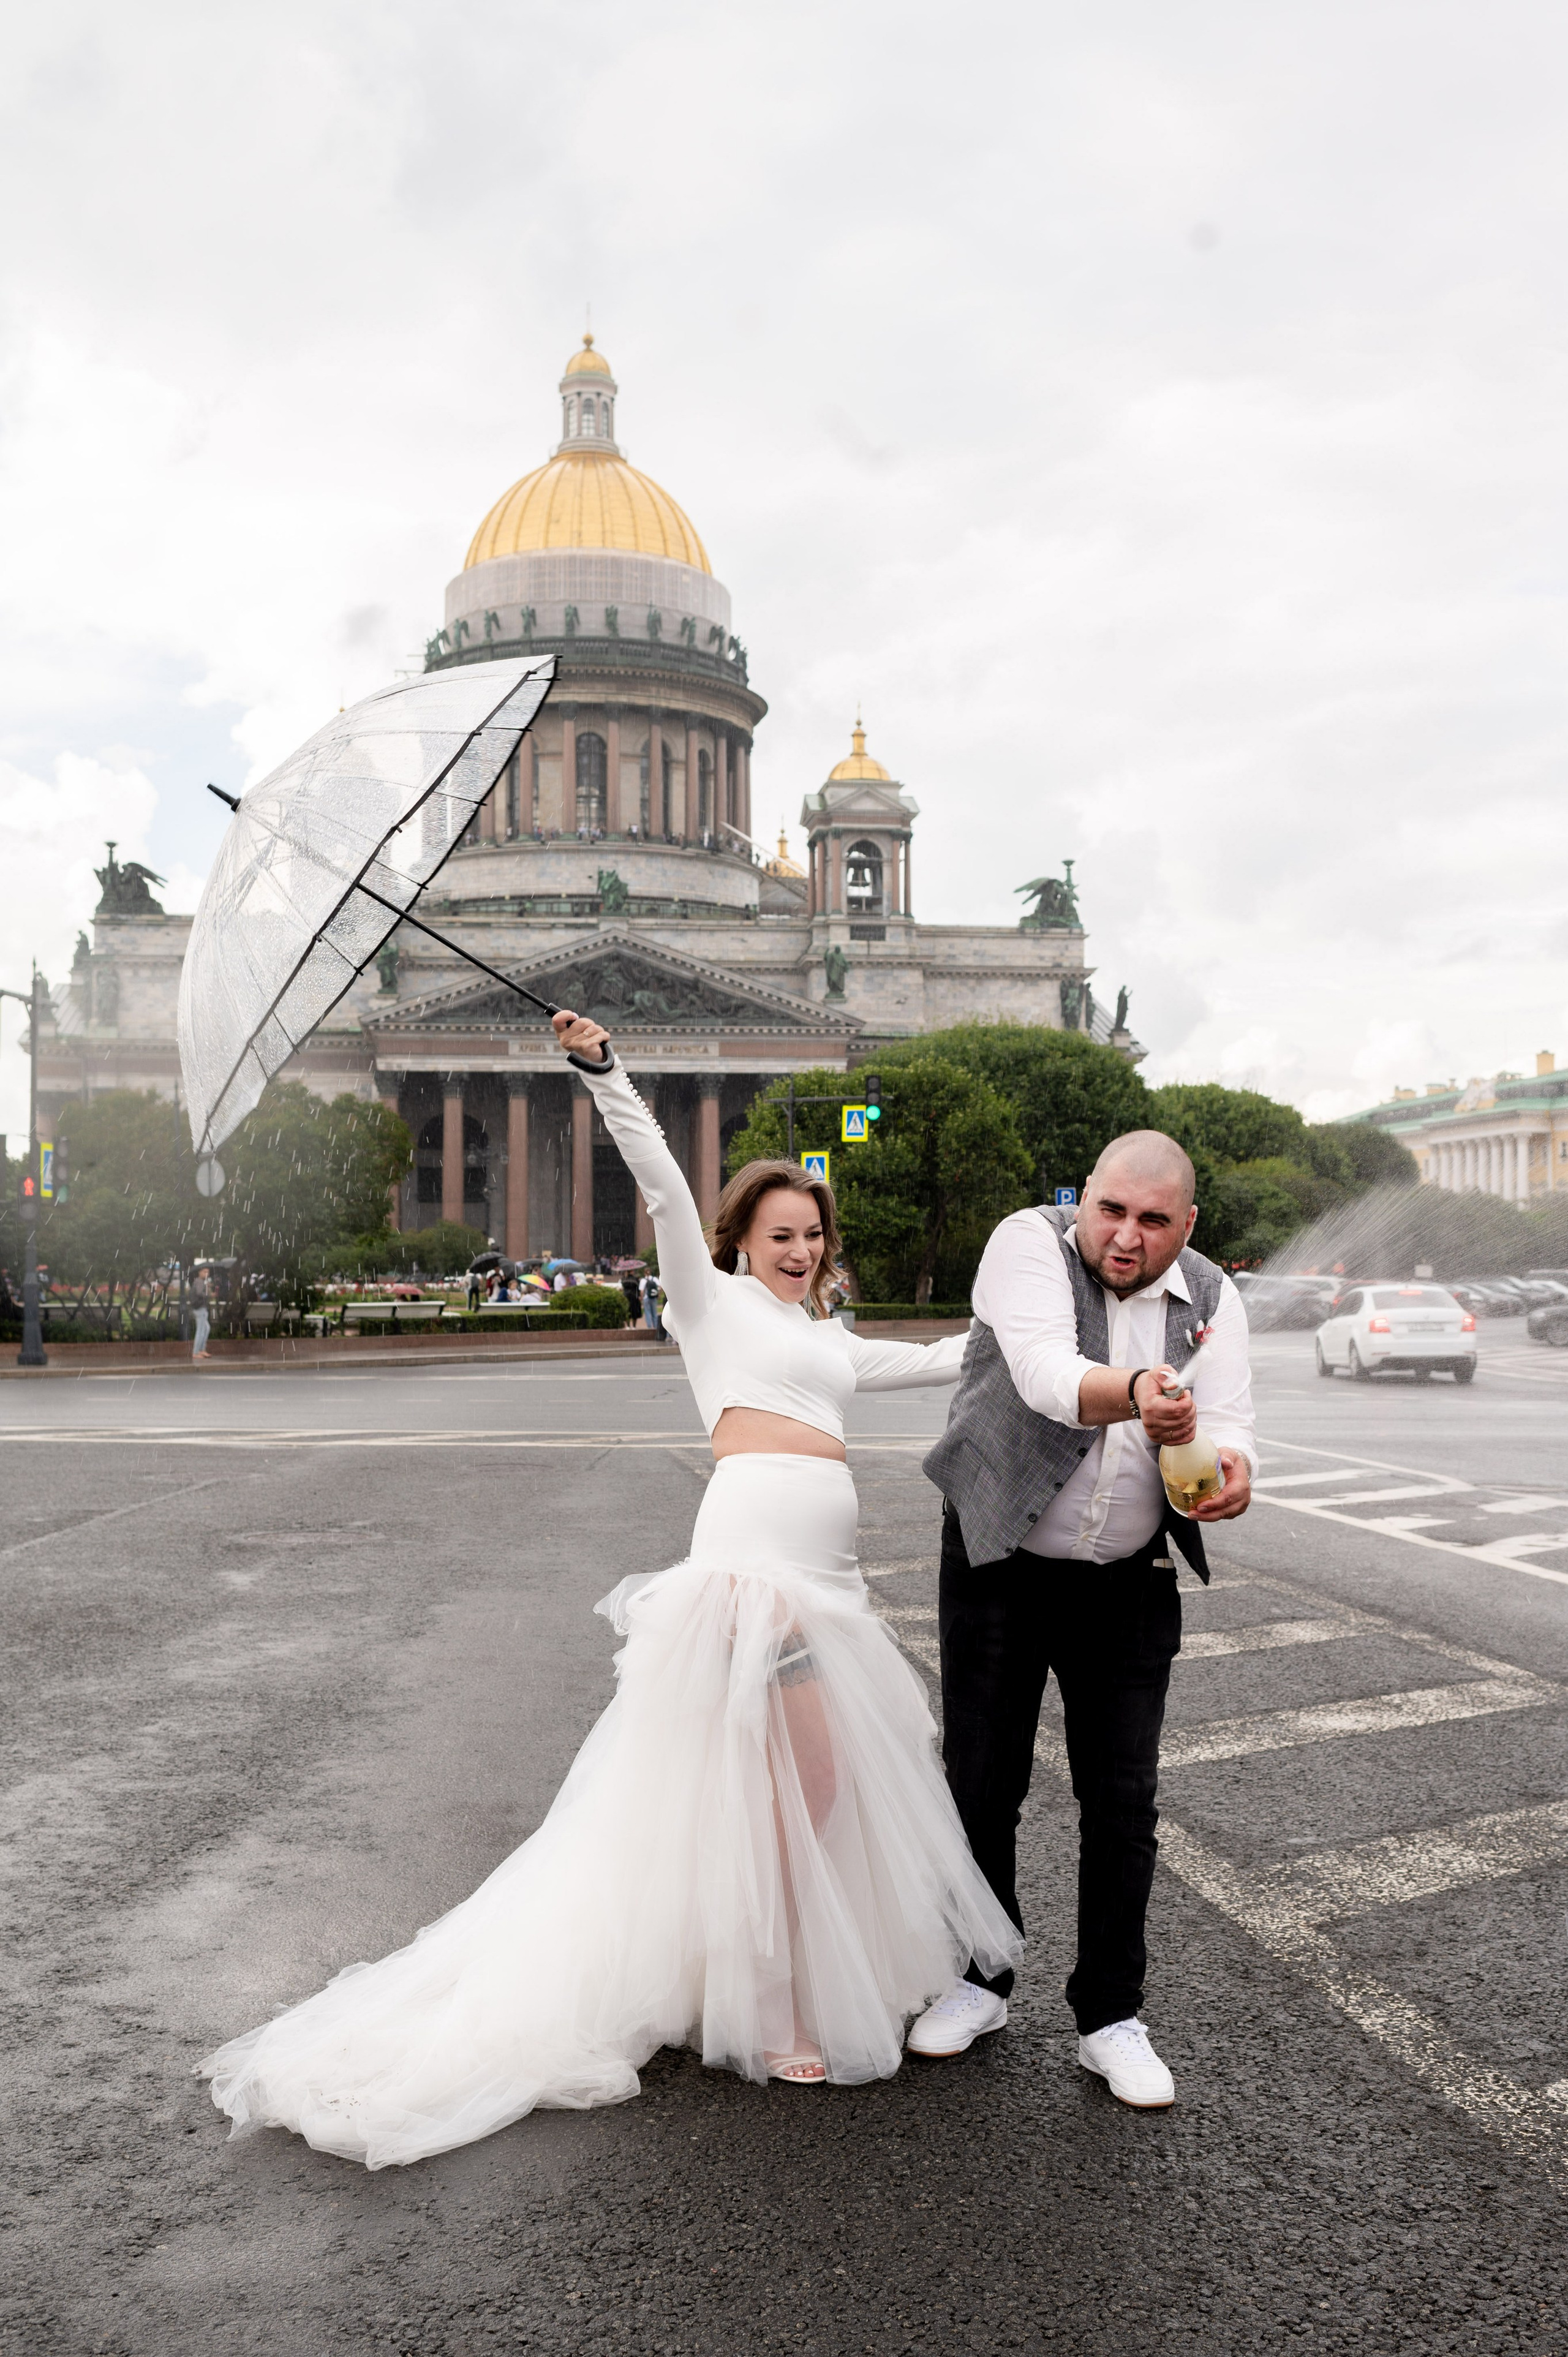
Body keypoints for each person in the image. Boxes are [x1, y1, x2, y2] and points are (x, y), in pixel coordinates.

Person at [198, 1011, 1017, 2168]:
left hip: (830, 1587)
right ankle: (771, 2002)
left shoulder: (830, 1338)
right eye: (780, 1234)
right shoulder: (711, 1305)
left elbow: (956, 1357)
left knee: (775, 1797)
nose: (799, 1250)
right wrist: (607, 1072)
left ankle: (744, 1973)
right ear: (743, 1243)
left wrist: (1052, 1306)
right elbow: (668, 1195)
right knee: (809, 1790)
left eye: (812, 1235)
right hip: (755, 1578)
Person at [907, 1131, 1256, 2110]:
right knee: (982, 1785)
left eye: (1153, 1220)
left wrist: (1235, 1473)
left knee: (1124, 1802)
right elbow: (1047, 1377)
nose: (1125, 1236)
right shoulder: (1029, 1242)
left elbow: (1232, 1419)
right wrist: (1140, 1392)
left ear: (1187, 1225)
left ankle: (1111, 2017)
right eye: (1111, 1210)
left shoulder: (1214, 1296)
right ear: (1084, 1198)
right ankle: (979, 1982)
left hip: (1129, 1580)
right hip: (1000, 1563)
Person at [190, 1267, 212, 1363]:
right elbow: (199, 1293)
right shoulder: (199, 1281)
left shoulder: (201, 1282)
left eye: (208, 1272)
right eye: (205, 1272)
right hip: (200, 1309)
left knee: (206, 1329)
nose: (207, 1274)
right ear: (200, 1272)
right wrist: (208, 1293)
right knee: (201, 1330)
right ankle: (196, 1352)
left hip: (201, 1309)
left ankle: (201, 1350)